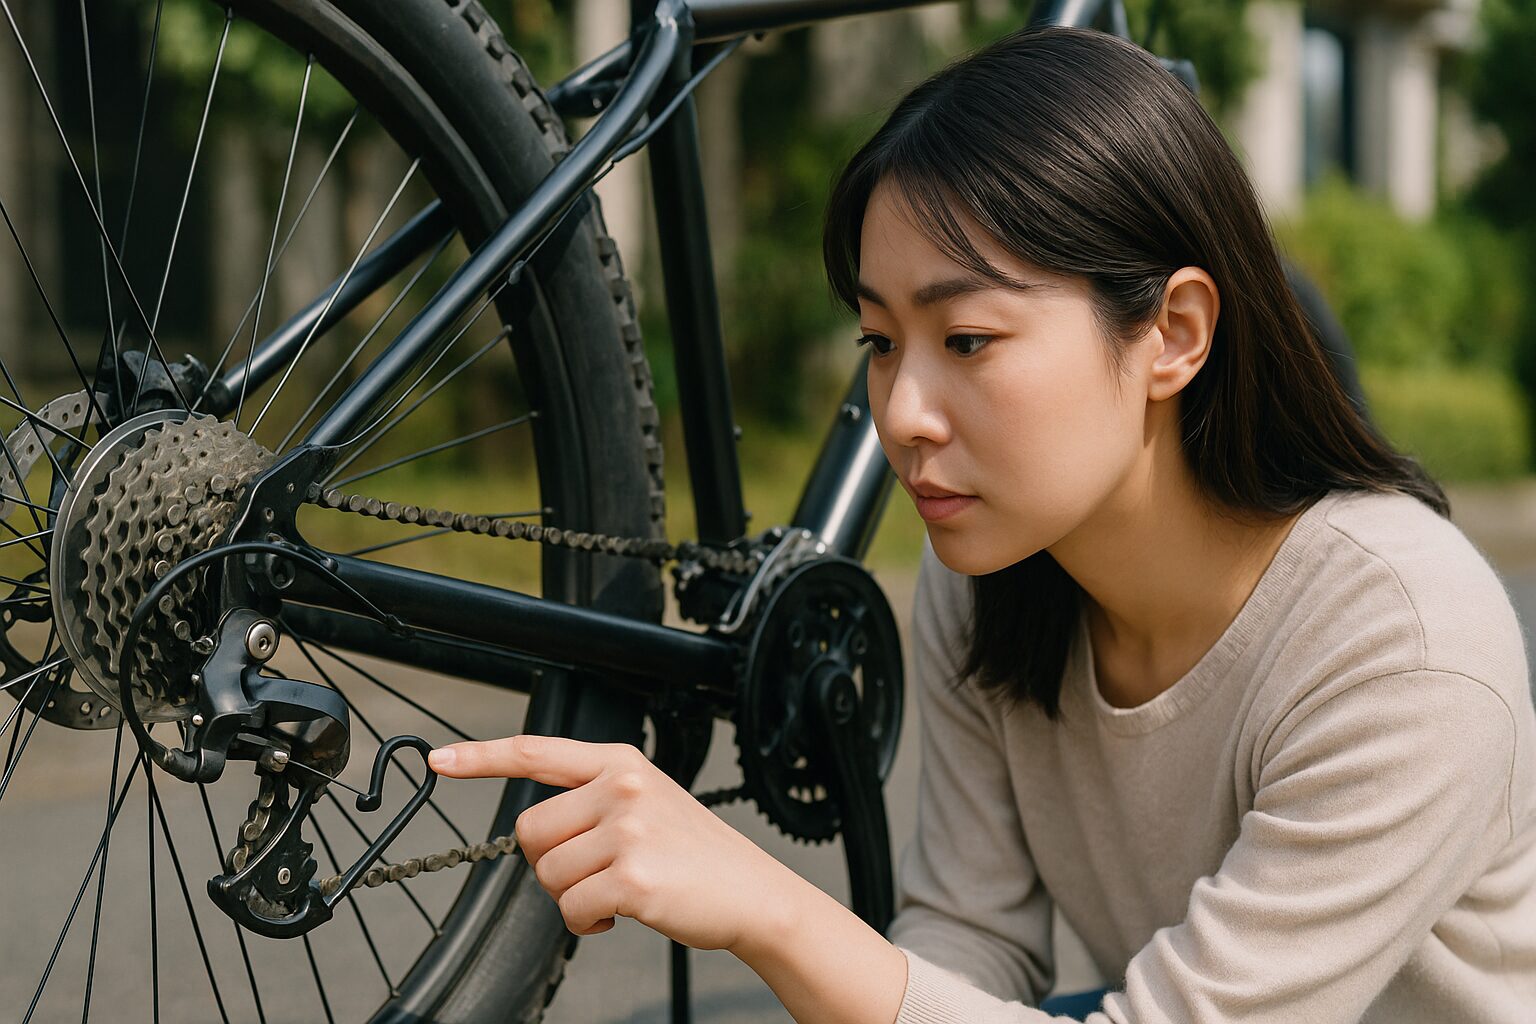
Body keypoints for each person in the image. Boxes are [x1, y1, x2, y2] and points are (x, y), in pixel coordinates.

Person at [425, 24, 1536, 1023]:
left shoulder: (1404, 645)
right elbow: (970, 948)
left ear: (1175, 333)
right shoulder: (997, 570)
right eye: (879, 341)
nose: (901, 415)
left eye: (966, 340)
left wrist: (769, 910)